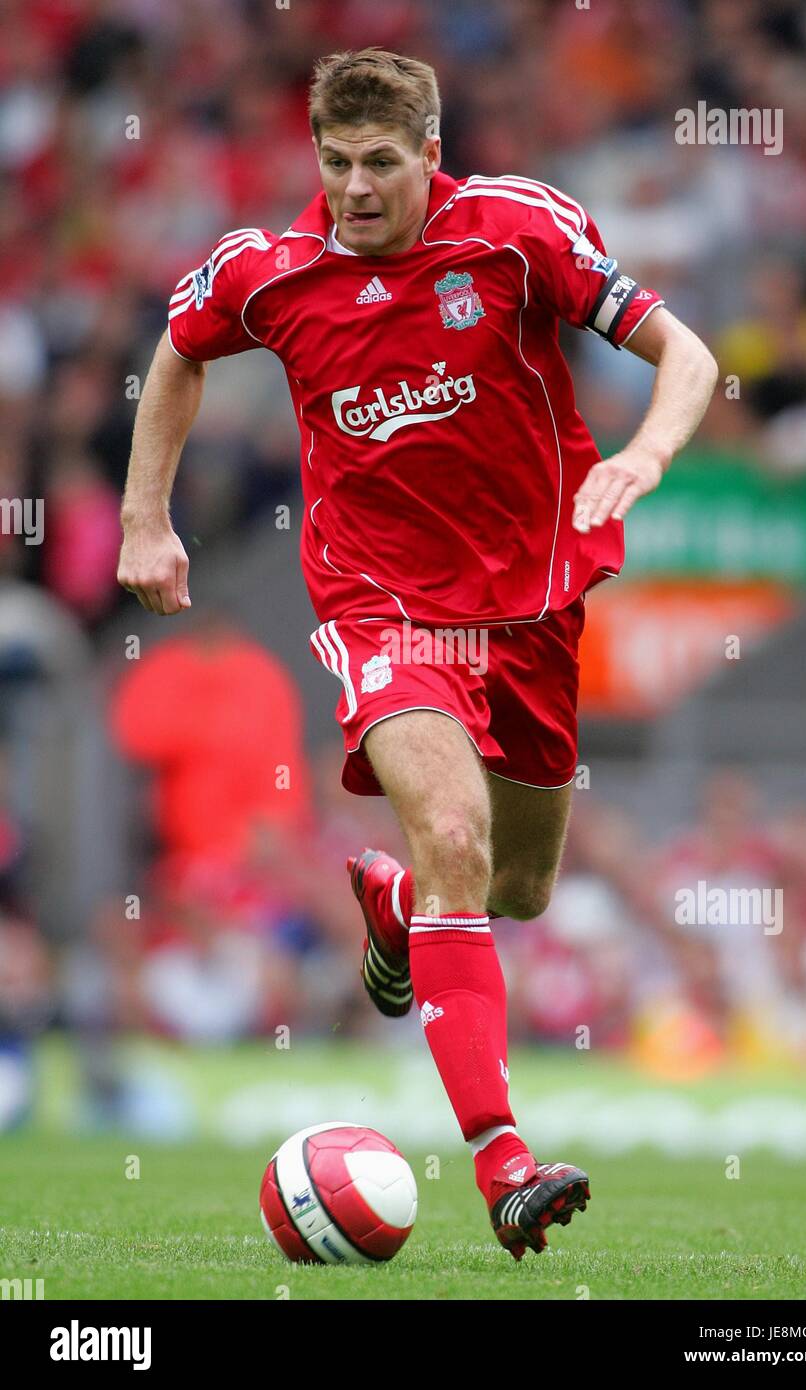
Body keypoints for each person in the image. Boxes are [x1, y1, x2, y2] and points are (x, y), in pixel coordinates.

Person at [117, 47, 718, 1260]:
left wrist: (643, 457)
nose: (352, 187)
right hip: (380, 606)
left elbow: (690, 359)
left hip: (533, 606)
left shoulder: (513, 232)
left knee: (514, 889)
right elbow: (177, 352)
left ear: (429, 156)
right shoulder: (270, 273)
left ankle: (396, 912)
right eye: (334, 163)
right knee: (451, 835)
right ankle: (503, 1160)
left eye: (379, 162)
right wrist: (144, 518)